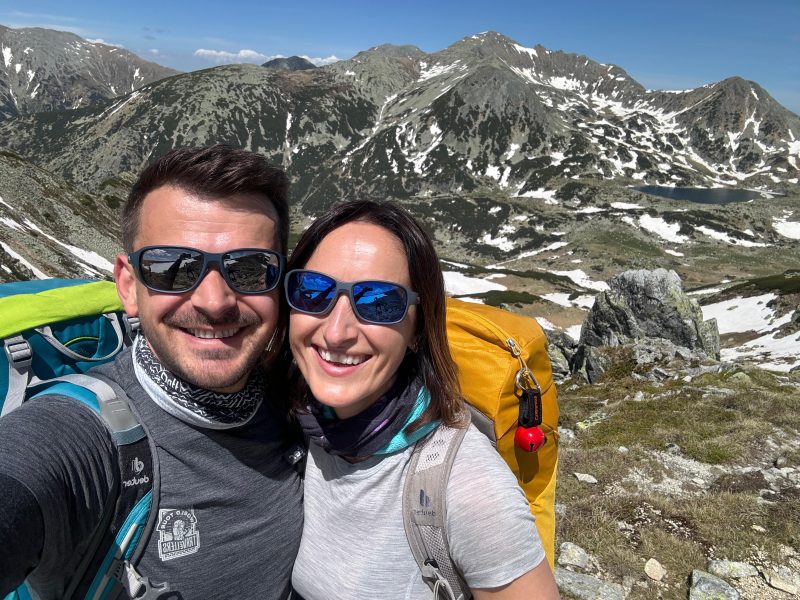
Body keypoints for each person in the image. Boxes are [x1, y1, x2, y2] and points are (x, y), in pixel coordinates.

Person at [0, 145, 303, 599]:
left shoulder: (301, 403)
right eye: (172, 268)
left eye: (249, 269)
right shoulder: (82, 435)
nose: (214, 302)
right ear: (128, 286)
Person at [286, 200, 560, 599]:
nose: (336, 332)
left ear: (418, 330)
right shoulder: (294, 420)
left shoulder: (468, 486)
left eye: (379, 303)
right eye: (312, 292)